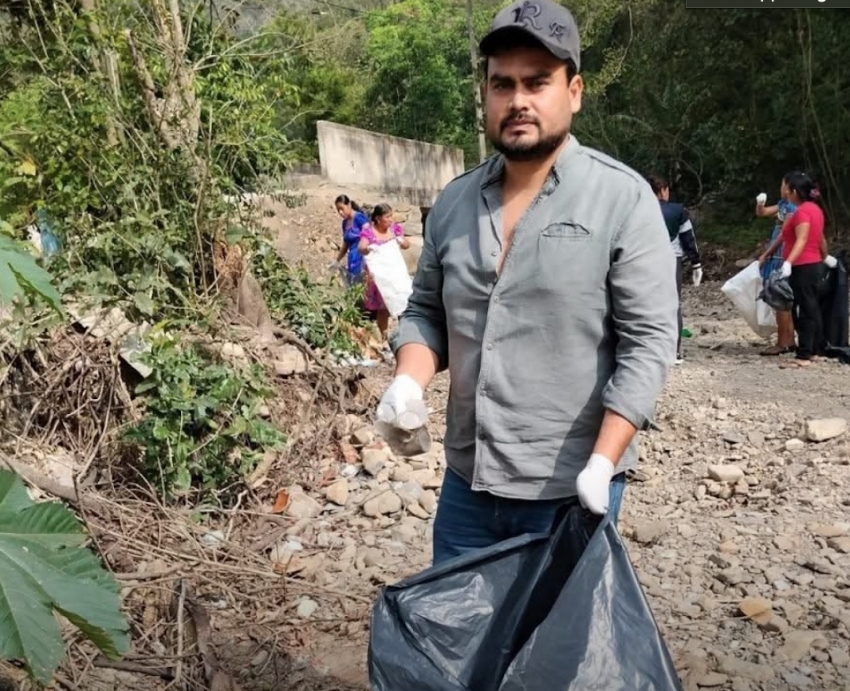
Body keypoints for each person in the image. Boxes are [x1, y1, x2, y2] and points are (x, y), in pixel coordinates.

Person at [375, 0, 679, 564]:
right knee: (456, 620)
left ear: (574, 92)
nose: (518, 100)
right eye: (503, 84)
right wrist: (407, 384)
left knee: (558, 625)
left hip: (571, 488)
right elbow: (426, 314)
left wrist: (603, 462)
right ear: (486, 94)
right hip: (468, 485)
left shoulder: (622, 199)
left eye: (537, 82)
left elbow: (649, 341)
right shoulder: (454, 203)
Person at [758, 172, 830, 368]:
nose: (782, 189)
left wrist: (788, 262)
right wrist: (825, 256)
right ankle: (814, 350)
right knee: (811, 307)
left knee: (803, 310)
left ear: (794, 191)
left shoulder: (802, 213)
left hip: (803, 265)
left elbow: (802, 239)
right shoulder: (814, 209)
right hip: (813, 264)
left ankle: (804, 355)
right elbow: (816, 237)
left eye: (784, 186)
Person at [647, 175, 703, 364]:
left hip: (643, 260)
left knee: (645, 304)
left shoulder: (637, 209)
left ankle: (648, 351)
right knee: (673, 305)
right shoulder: (678, 211)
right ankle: (674, 352)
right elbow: (688, 238)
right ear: (663, 190)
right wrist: (696, 263)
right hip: (671, 260)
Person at [755, 177, 797, 356]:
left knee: (780, 298)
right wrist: (760, 204)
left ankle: (782, 342)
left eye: (782, 184)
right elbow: (763, 213)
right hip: (777, 252)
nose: (780, 188)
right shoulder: (782, 205)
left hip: (781, 254)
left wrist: (766, 253)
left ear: (789, 188)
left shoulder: (792, 208)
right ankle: (789, 340)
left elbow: (784, 234)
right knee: (783, 299)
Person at [358, 203, 411, 340]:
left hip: (395, 273)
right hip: (380, 276)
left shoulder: (394, 229)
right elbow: (361, 247)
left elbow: (406, 245)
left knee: (401, 300)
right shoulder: (369, 232)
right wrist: (369, 248)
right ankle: (384, 337)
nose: (390, 219)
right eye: (387, 217)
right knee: (384, 307)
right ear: (378, 218)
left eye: (391, 216)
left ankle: (405, 334)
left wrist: (401, 241)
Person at [332, 194, 369, 287]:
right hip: (353, 259)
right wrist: (337, 260)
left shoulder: (359, 218)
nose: (340, 212)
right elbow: (345, 244)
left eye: (342, 208)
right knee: (353, 286)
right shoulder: (345, 223)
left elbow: (369, 235)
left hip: (362, 258)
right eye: (338, 210)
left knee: (362, 286)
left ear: (349, 205)